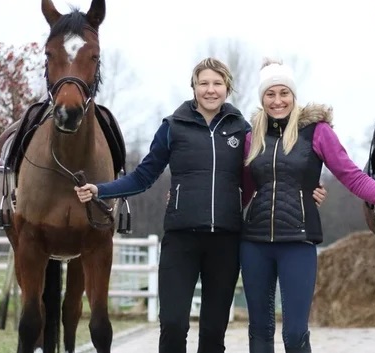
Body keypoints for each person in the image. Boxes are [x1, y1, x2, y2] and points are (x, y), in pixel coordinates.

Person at [73, 57, 326, 353]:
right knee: (173, 323)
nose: (210, 90)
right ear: (193, 87)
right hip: (181, 239)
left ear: (227, 88)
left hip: (226, 242)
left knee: (213, 331)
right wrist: (102, 190)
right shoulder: (172, 126)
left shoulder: (243, 130)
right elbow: (144, 175)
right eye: (203, 83)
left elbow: (267, 173)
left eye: (217, 83)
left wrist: (309, 188)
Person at [239, 58, 375, 353]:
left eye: (283, 93)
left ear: (293, 95)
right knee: (259, 332)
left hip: (297, 242)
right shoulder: (252, 137)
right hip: (254, 244)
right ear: (262, 98)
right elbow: (242, 191)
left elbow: (352, 176)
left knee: (294, 333)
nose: (277, 101)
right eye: (270, 94)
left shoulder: (317, 132)